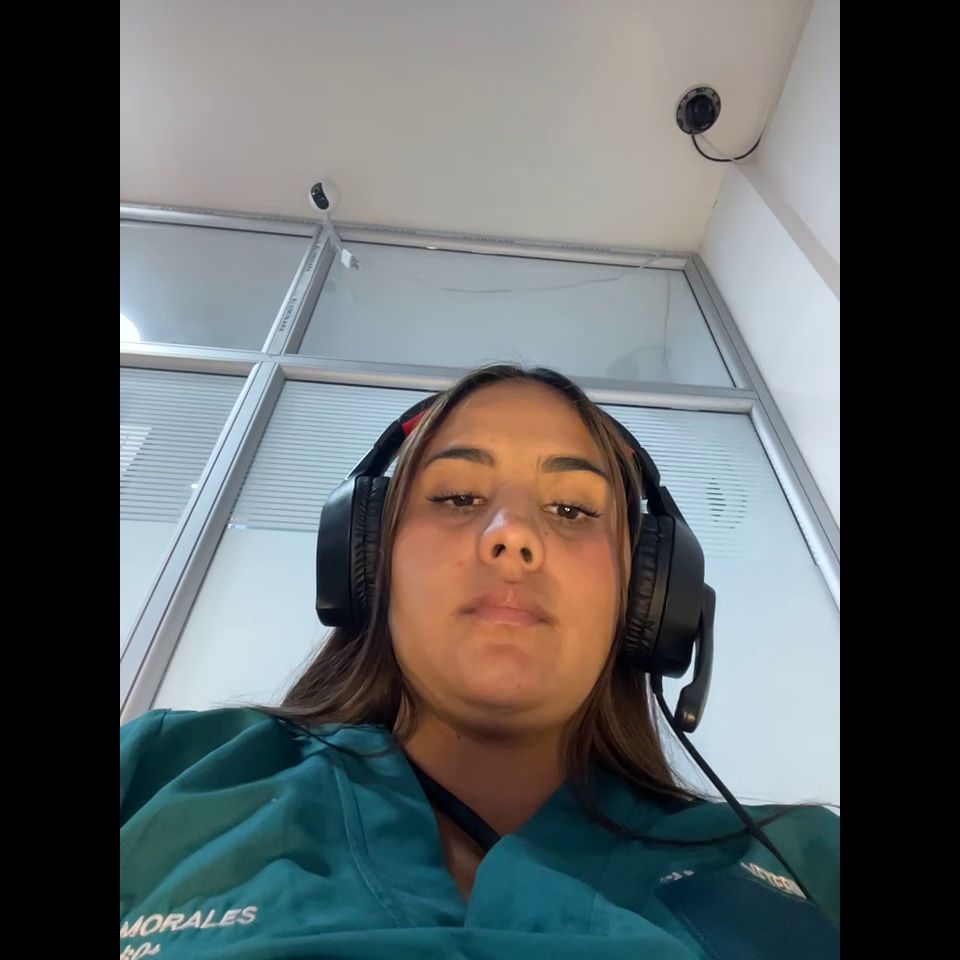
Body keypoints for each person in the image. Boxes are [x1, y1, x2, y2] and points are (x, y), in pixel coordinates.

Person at [120, 364, 839, 960]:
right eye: (458, 497)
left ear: (646, 596)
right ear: (367, 563)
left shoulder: (807, 862)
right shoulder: (156, 773)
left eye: (572, 510)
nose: (512, 535)